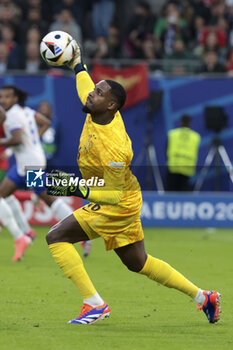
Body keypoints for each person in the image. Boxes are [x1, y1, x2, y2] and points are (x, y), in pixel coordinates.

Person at [45, 41, 221, 325]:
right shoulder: (96, 109)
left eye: (98, 93)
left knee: (55, 237)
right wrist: (77, 63)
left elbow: (112, 196)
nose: (91, 94)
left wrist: (73, 187)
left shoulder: (114, 147)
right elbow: (84, 86)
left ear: (111, 104)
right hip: (124, 195)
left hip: (117, 203)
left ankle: (94, 304)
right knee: (137, 262)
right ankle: (203, 297)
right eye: (94, 90)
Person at [0, 85, 74, 262]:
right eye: (2, 97)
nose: (3, 100)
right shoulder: (25, 110)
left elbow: (17, 138)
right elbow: (45, 123)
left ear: (15, 98)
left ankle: (77, 226)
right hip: (29, 161)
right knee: (6, 194)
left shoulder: (12, 116)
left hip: (29, 165)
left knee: (46, 197)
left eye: (7, 97)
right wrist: (33, 142)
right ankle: (23, 235)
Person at [166, 115, 201, 191]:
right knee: (184, 195)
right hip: (187, 168)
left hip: (173, 167)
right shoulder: (196, 137)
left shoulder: (172, 134)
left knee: (170, 194)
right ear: (190, 123)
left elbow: (166, 149)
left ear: (180, 122)